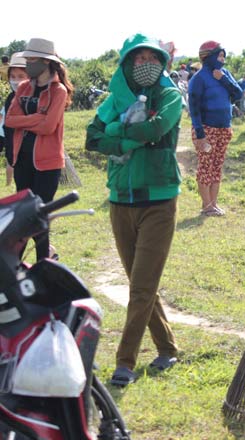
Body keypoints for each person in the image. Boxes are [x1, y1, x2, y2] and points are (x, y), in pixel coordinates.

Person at [85, 33, 183, 386]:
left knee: (140, 288)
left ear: (163, 63)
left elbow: (157, 128)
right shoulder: (114, 100)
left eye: (152, 58)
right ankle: (168, 349)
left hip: (158, 200)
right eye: (139, 59)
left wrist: (119, 135)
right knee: (142, 282)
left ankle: (124, 362)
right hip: (120, 201)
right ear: (126, 63)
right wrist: (124, 132)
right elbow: (92, 137)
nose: (146, 65)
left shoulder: (170, 96)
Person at [4, 38, 74, 262]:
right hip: (22, 160)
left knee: (39, 216)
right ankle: (17, 264)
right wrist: (37, 118)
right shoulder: (24, 87)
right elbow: (10, 121)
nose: (28, 64)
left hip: (47, 164)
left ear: (46, 62)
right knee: (23, 216)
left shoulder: (59, 91)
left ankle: (43, 262)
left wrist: (27, 119)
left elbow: (48, 127)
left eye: (32, 60)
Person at [188, 41, 243, 216]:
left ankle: (213, 204)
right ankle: (206, 206)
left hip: (224, 129)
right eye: (220, 56)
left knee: (217, 166)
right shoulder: (198, 79)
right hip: (206, 129)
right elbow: (194, 109)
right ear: (209, 57)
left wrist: (223, 79)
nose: (223, 60)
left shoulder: (224, 74)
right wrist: (200, 134)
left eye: (223, 56)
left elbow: (238, 94)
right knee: (206, 166)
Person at [0, 53, 28, 188]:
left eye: (21, 76)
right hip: (15, 149)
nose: (16, 81)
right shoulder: (10, 98)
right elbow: (8, 124)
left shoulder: (33, 97)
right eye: (13, 77)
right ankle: (9, 183)